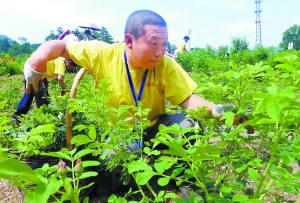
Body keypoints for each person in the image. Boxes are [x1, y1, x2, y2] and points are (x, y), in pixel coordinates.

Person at [22, 9, 253, 191]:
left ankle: (175, 173)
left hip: (155, 127)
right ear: (130, 41)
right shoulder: (103, 54)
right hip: (120, 133)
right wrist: (37, 60)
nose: (160, 51)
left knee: (188, 126)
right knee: (119, 171)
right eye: (154, 43)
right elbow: (61, 46)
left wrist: (217, 111)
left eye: (164, 44)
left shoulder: (165, 65)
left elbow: (188, 100)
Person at [12, 57, 77, 123]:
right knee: (43, 100)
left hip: (30, 72)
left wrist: (61, 88)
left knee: (28, 96)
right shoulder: (62, 62)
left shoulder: (58, 58)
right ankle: (43, 121)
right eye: (71, 67)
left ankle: (16, 117)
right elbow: (60, 78)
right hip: (38, 76)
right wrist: (63, 89)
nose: (70, 69)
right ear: (68, 63)